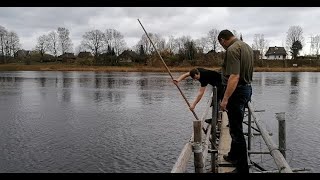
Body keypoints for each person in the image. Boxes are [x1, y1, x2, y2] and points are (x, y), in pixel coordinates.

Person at [218, 29, 253, 173]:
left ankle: (242, 168)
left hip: (236, 92)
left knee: (237, 131)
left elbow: (234, 76)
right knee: (234, 126)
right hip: (247, 89)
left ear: (222, 40)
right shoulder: (246, 47)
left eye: (221, 44)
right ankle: (233, 156)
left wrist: (225, 99)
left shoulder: (232, 49)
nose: (222, 47)